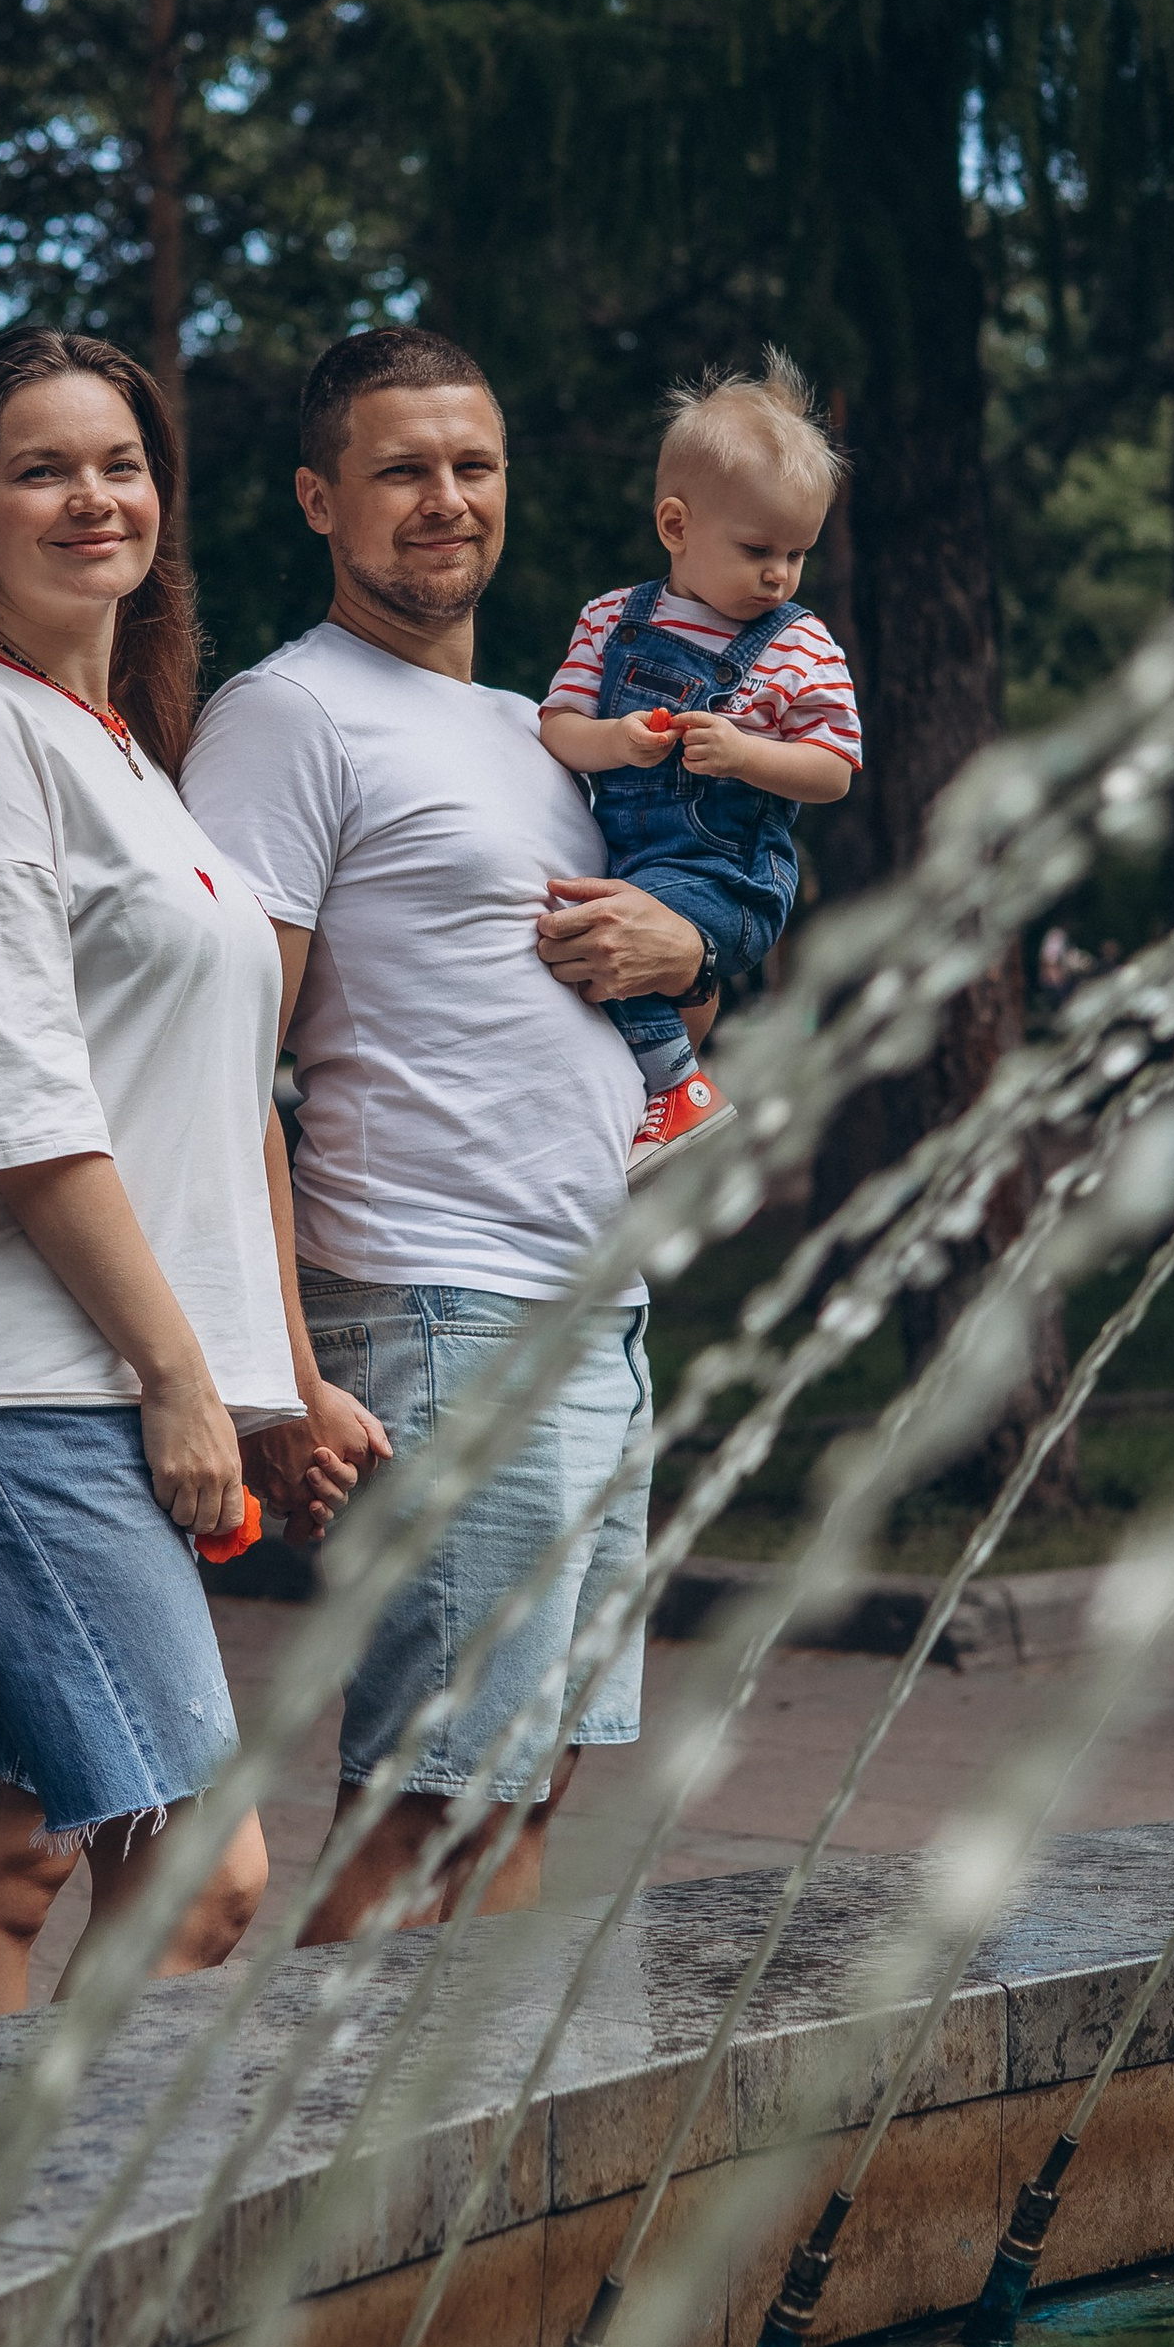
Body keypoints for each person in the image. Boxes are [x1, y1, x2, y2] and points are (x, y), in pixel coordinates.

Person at [0, 329, 358, 2037]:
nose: (93, 497)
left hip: (90, 1386)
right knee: (206, 1877)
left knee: (1, 1869)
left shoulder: (131, 755)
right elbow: (17, 1107)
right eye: (42, 468)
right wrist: (180, 1376)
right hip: (19, 1388)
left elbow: (216, 1110)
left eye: (121, 464)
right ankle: (76, 2280)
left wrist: (275, 1379)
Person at [184, 327, 714, 1945]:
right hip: (433, 1314)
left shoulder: (537, 728)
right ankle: (309, 2175)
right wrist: (272, 1371)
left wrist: (683, 953)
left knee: (528, 1783)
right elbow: (212, 1070)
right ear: (317, 499)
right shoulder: (289, 718)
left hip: (594, 1312)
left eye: (471, 466)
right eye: (401, 469)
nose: (444, 500)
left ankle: (472, 2182)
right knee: (428, 1807)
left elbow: (625, 979)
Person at [537, 353, 862, 1179]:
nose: (778, 575)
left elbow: (834, 770)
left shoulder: (797, 644)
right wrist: (616, 741)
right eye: (758, 548)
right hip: (628, 859)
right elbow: (561, 727)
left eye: (798, 554)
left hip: (730, 876)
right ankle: (624, 1112)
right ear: (675, 526)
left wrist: (747, 755)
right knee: (582, 937)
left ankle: (678, 1089)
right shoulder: (613, 620)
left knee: (609, 932)